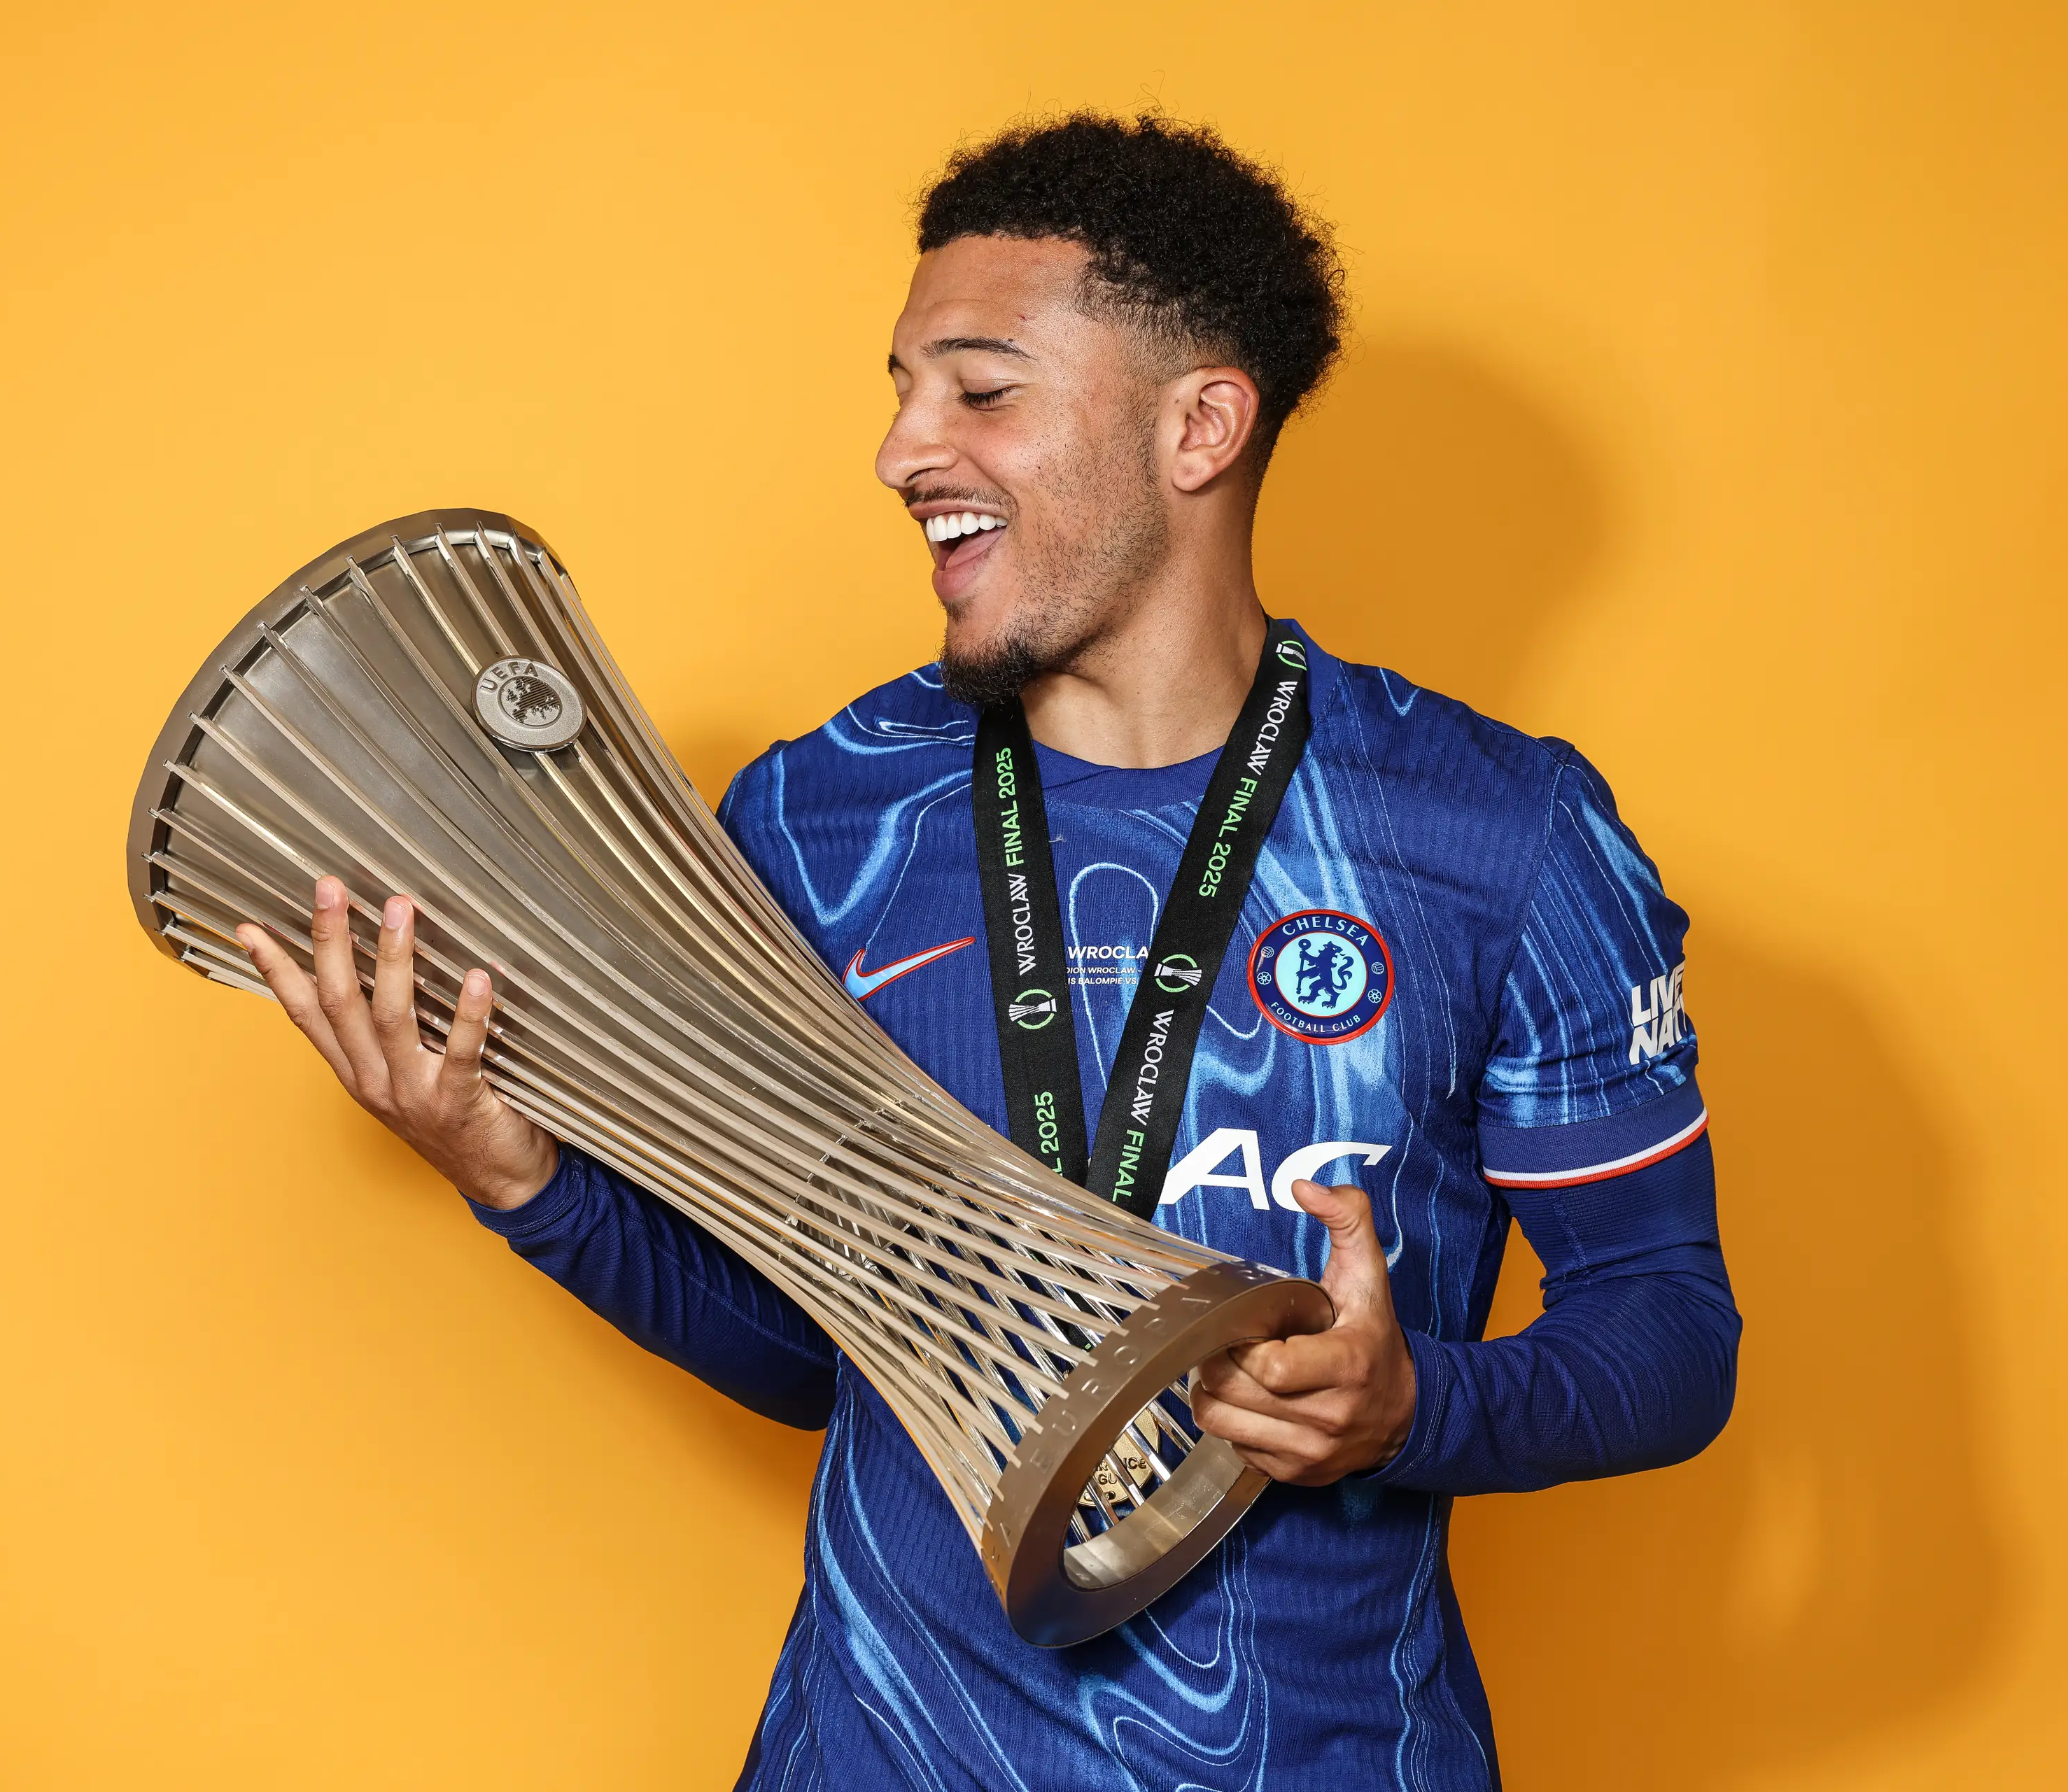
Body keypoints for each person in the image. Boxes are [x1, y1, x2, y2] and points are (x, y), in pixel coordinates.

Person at [235, 113, 1738, 1792]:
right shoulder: (820, 816)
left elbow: (1672, 1331)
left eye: (980, 388)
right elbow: (817, 1353)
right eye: (898, 388)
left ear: (1200, 426)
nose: (900, 449)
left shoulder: (1506, 831)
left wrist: (1420, 1406)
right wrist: (529, 1177)